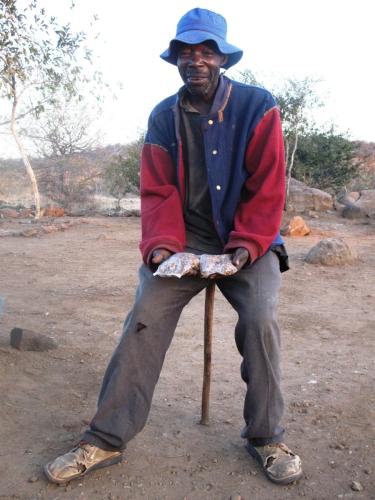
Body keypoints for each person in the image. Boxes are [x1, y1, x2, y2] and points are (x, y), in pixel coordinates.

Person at [44, 7, 302, 486]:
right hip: (184, 240)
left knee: (261, 320)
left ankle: (267, 435)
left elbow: (267, 189)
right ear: (176, 59)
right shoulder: (164, 116)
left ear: (222, 59)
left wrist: (243, 250)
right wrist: (164, 250)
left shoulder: (258, 106)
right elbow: (158, 191)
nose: (195, 60)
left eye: (206, 52)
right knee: (145, 315)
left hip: (248, 239)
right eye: (186, 52)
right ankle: (104, 438)